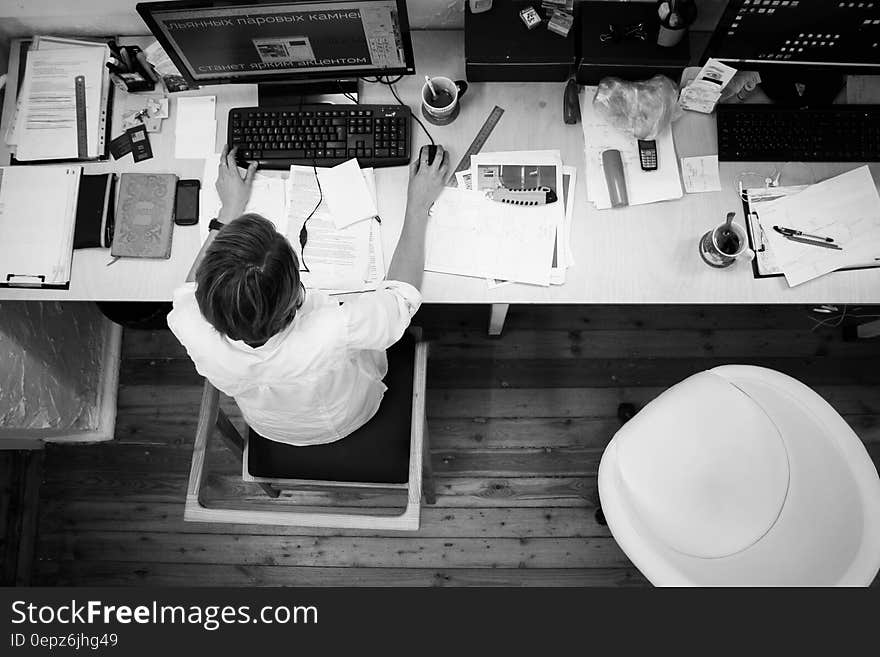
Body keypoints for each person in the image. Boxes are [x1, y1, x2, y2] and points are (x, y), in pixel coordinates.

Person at [167, 145, 450, 446]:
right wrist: (419, 205)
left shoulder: (188, 324)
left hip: (268, 426)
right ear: (295, 292)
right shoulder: (332, 329)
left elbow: (189, 289)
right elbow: (401, 298)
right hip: (348, 416)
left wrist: (227, 212)